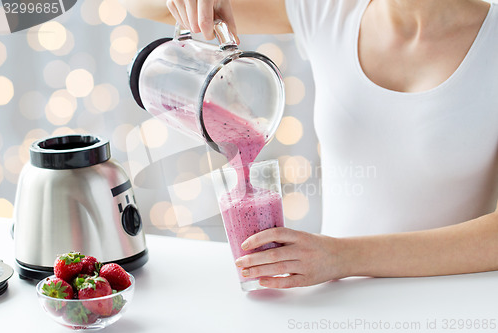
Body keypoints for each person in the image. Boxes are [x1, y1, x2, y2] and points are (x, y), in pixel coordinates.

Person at [121, 0, 498, 288]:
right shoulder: (329, 9)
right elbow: (139, 4)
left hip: (451, 298)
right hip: (336, 300)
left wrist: (343, 257)